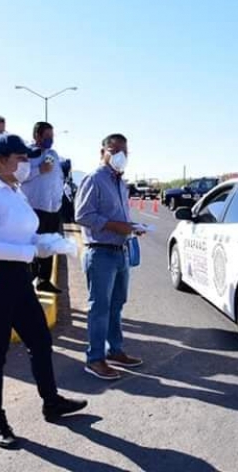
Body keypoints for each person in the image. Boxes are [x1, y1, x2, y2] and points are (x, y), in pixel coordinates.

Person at [0, 134, 87, 448]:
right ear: (0, 161)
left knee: (40, 340)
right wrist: (33, 253)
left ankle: (52, 402)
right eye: (20, 159)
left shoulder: (14, 192)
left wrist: (46, 244)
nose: (25, 165)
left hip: (18, 278)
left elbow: (22, 235)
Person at [74, 133, 144, 380]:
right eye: (115, 151)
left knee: (116, 305)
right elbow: (82, 215)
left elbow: (120, 218)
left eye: (124, 151)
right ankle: (95, 359)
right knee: (100, 308)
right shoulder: (94, 179)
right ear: (102, 151)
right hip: (100, 252)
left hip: (120, 252)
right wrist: (116, 226)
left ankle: (115, 350)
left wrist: (132, 227)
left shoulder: (120, 183)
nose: (120, 156)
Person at [21, 122, 66, 294]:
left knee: (49, 246)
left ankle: (44, 280)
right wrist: (39, 170)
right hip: (34, 208)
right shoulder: (27, 155)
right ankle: (27, 281)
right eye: (47, 136)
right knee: (33, 246)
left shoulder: (53, 154)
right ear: (37, 136)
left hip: (52, 209)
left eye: (52, 137)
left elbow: (57, 178)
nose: (50, 140)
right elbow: (19, 177)